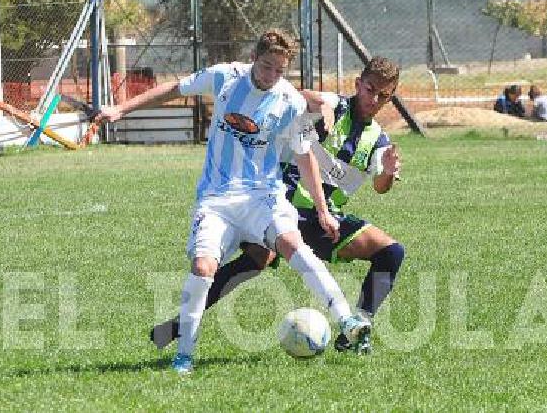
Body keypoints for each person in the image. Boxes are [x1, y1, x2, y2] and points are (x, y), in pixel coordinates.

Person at [98, 29, 371, 375]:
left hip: (263, 197)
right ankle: (184, 355)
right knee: (203, 268)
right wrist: (121, 109)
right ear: (254, 57)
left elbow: (306, 158)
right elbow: (173, 89)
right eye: (267, 66)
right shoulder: (225, 76)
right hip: (216, 199)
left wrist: (321, 210)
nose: (271, 76)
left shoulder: (290, 102)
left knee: (293, 246)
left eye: (279, 70)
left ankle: (346, 319)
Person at [149, 56, 407, 354]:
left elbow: (381, 187)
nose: (373, 99)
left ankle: (357, 330)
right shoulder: (335, 106)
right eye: (370, 89)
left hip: (325, 222)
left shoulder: (379, 141)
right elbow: (298, 94)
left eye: (383, 96)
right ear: (358, 84)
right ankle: (181, 325)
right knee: (258, 259)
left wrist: (387, 172)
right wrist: (319, 105)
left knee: (391, 251)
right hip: (281, 206)